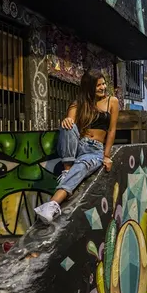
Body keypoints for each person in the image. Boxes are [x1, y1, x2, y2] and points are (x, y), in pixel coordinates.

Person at [35, 71, 119, 223]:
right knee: (68, 124)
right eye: (98, 85)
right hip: (77, 147)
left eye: (103, 83)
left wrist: (107, 155)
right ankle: (67, 170)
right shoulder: (78, 104)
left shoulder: (112, 101)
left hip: (94, 151)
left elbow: (112, 130)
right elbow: (70, 125)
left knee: (82, 166)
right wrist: (67, 120)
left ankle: (52, 205)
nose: (102, 87)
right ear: (89, 87)